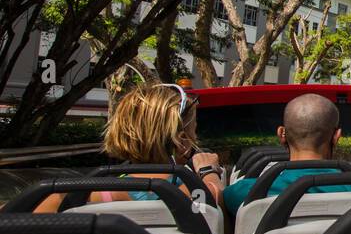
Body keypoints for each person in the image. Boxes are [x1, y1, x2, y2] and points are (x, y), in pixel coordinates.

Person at [34, 83, 222, 212]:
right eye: (194, 131)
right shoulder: (193, 196)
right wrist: (208, 171)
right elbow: (214, 196)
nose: (196, 137)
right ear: (181, 141)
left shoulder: (79, 197)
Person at [221, 93, 351, 214]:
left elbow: (212, 204)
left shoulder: (245, 193)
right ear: (336, 136)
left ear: (281, 133)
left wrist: (209, 172)